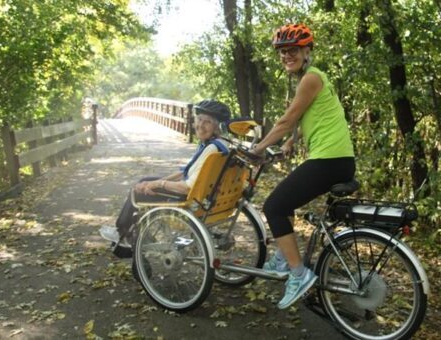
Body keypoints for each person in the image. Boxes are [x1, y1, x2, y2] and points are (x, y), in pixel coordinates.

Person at [252, 23, 355, 309]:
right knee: (286, 203)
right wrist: (290, 143)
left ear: (307, 50)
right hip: (338, 160)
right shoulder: (311, 79)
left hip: (329, 160)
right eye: (283, 52)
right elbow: (305, 116)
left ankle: (298, 274)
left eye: (293, 50)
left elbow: (287, 119)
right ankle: (286, 256)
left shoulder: (310, 79)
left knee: (273, 206)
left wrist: (257, 148)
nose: (287, 56)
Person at [99, 99, 231, 256]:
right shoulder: (219, 146)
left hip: (190, 198)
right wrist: (155, 182)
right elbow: (186, 171)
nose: (201, 125)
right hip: (205, 195)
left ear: (216, 127)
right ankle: (127, 232)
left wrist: (159, 184)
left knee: (138, 192)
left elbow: (188, 186)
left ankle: (122, 232)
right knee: (145, 181)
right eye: (199, 119)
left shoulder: (210, 150)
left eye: (207, 122)